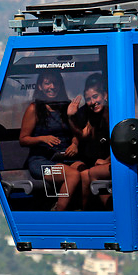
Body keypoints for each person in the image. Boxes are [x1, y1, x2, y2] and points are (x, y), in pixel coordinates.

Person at [19, 72, 85, 211]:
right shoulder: (34, 109)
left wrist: (74, 144)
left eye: (55, 83)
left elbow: (75, 133)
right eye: (48, 83)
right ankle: (57, 213)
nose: (52, 87)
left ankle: (83, 211)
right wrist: (43, 138)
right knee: (72, 175)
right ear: (40, 87)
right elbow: (23, 139)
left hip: (64, 158)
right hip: (41, 160)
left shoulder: (66, 106)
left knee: (83, 171)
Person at [68, 73, 111, 209]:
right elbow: (83, 135)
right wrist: (71, 118)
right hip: (92, 159)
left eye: (95, 96)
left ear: (105, 95)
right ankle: (85, 212)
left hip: (111, 160)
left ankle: (100, 211)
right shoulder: (86, 112)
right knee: (81, 171)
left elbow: (121, 143)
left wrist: (108, 160)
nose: (93, 102)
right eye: (88, 99)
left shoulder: (114, 113)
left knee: (88, 174)